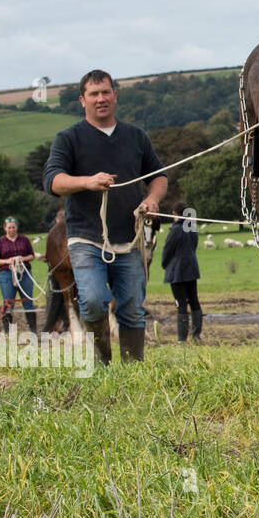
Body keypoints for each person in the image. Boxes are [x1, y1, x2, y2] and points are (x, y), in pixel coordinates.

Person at [42, 70, 166, 365]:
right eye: (94, 94)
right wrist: (86, 181)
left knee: (133, 306)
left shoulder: (136, 136)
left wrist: (152, 198)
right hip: (86, 238)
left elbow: (158, 176)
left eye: (106, 92)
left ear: (115, 96)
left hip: (129, 237)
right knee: (95, 300)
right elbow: (53, 181)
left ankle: (133, 369)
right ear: (82, 100)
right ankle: (102, 363)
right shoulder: (68, 138)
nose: (101, 99)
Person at [160, 201, 203, 343]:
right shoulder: (192, 228)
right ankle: (196, 336)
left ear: (174, 213)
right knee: (194, 301)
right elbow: (194, 246)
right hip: (191, 268)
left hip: (177, 271)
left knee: (181, 304)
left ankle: (181, 339)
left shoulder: (175, 230)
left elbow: (168, 250)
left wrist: (164, 264)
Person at [0, 216, 37, 333]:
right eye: (9, 228)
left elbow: (31, 256)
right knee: (8, 303)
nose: (12, 230)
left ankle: (33, 331)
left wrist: (22, 258)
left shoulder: (24, 240)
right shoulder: (0, 242)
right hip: (7, 275)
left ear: (16, 227)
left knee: (28, 302)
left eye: (13, 227)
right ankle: (8, 333)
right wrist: (7, 261)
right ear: (5, 228)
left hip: (24, 274)